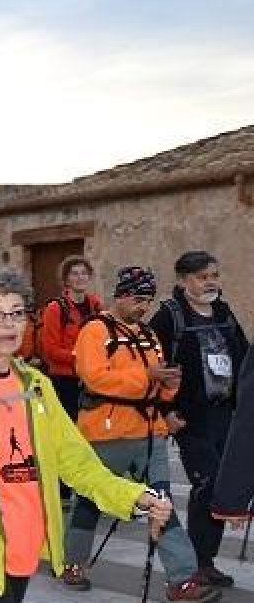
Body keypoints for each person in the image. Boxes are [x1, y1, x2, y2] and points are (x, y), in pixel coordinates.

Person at [0, 267, 174, 603]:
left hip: (23, 552)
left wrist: (134, 497)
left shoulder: (36, 385)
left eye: (16, 313)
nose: (9, 324)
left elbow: (76, 462)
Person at [59, 266, 218, 601]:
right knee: (88, 502)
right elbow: (94, 378)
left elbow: (156, 390)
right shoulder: (94, 331)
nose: (143, 306)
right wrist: (148, 374)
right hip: (105, 434)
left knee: (163, 503)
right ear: (121, 295)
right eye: (137, 299)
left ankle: (182, 580)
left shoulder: (148, 334)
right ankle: (73, 563)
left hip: (149, 434)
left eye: (147, 300)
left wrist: (169, 386)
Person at [151, 251, 249, 588]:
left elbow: (243, 355)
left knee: (221, 489)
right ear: (183, 281)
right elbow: (151, 368)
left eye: (214, 276)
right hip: (190, 417)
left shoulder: (223, 311)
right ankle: (193, 563)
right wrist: (166, 412)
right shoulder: (168, 317)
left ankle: (205, 562)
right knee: (206, 484)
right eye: (202, 277)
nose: (211, 283)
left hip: (226, 413)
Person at [37, 257, 102, 462]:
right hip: (65, 380)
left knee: (91, 432)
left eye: (83, 273)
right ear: (66, 279)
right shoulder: (55, 309)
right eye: (74, 273)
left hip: (92, 379)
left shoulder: (96, 305)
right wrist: (83, 357)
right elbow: (51, 350)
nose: (80, 277)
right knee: (67, 433)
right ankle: (63, 484)